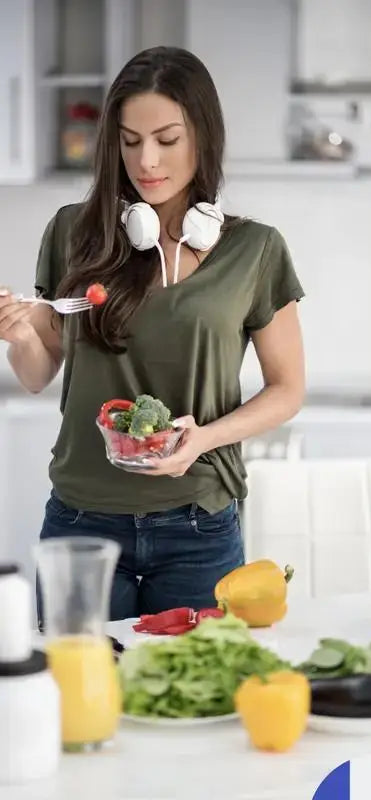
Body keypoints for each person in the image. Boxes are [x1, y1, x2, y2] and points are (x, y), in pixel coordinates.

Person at [0, 47, 305, 622]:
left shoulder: (255, 250)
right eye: (129, 139)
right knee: (78, 700)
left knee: (191, 702)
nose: (147, 160)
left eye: (167, 139)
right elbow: (40, 373)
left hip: (198, 526)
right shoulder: (73, 232)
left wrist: (205, 437)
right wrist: (18, 335)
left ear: (203, 137)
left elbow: (287, 390)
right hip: (80, 521)